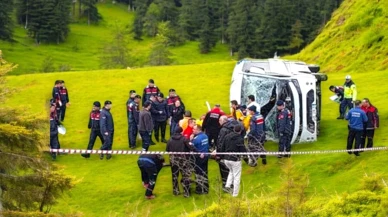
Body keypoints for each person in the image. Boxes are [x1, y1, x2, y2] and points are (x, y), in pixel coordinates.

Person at [221, 125, 249, 197]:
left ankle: (227, 185)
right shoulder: (240, 139)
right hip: (235, 160)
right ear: (240, 131)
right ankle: (235, 194)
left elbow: (222, 147)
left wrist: (221, 157)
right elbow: (242, 150)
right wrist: (247, 159)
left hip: (226, 159)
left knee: (231, 171)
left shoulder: (226, 136)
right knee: (237, 176)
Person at [166, 127, 194, 197]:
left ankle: (176, 191)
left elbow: (167, 150)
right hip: (184, 160)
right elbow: (191, 147)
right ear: (182, 132)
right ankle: (186, 192)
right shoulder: (184, 139)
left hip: (173, 160)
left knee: (174, 175)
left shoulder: (170, 140)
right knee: (185, 176)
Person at [190, 125, 209, 195]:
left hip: (198, 158)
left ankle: (200, 189)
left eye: (194, 129)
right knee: (205, 172)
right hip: (205, 156)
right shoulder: (205, 136)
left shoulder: (196, 139)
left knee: (198, 173)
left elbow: (191, 146)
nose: (193, 131)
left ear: (198, 130)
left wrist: (191, 139)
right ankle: (206, 188)